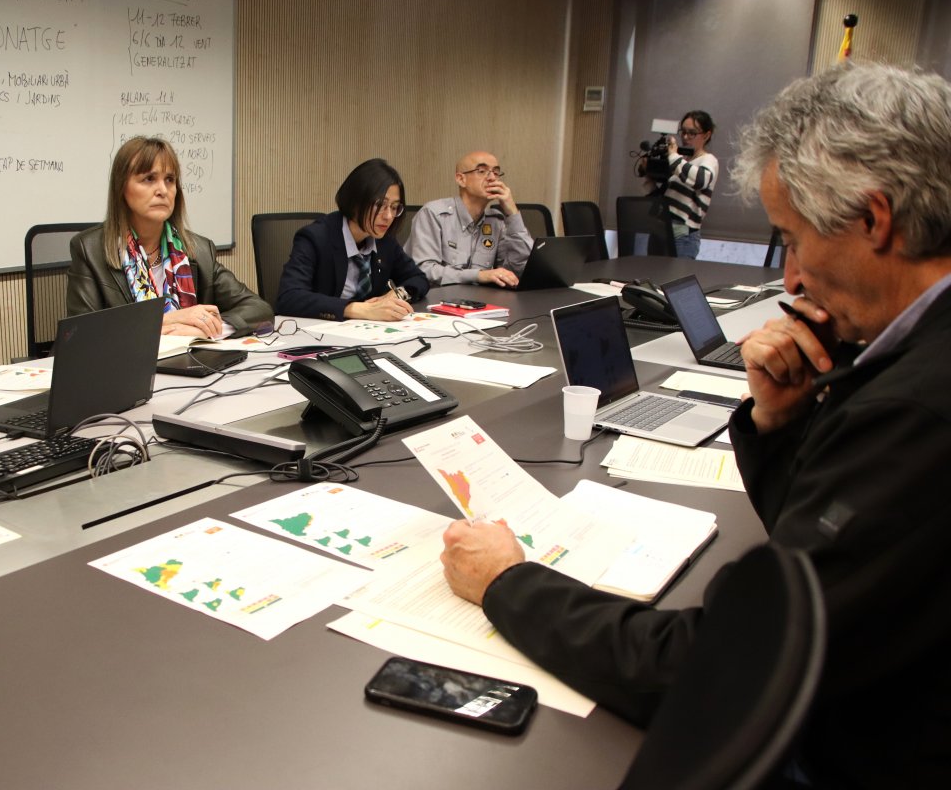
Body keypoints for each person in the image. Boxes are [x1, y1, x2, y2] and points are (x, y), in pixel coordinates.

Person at [441, 62, 951, 787]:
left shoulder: (915, 410)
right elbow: (817, 563)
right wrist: (782, 425)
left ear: (874, 219)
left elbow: (711, 669)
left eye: (792, 240)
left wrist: (507, 581)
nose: (792, 280)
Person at [66, 136, 272, 339]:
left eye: (170, 180)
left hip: (188, 358)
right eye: (149, 179)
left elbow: (259, 309)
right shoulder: (90, 250)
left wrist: (208, 330)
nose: (163, 190)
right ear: (122, 188)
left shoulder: (199, 250)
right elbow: (81, 335)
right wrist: (167, 320)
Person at [275, 158, 428, 321]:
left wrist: (398, 293)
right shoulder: (316, 238)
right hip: (320, 329)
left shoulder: (384, 241)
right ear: (355, 202)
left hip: (367, 330)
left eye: (394, 207)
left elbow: (418, 278)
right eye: (379, 205)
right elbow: (289, 297)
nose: (389, 216)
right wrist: (356, 309)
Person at [406, 151, 533, 287]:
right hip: (437, 298)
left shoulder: (496, 221)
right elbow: (424, 270)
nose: (492, 178)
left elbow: (518, 271)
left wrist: (512, 212)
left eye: (496, 172)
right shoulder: (433, 214)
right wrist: (479, 275)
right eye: (482, 171)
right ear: (461, 179)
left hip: (480, 299)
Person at [640, 110, 718, 259]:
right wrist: (649, 176)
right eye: (683, 132)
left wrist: (673, 156)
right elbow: (662, 201)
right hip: (660, 230)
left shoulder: (708, 160)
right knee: (651, 273)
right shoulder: (680, 162)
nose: (685, 137)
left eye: (692, 133)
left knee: (676, 274)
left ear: (706, 135)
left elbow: (700, 180)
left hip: (682, 236)